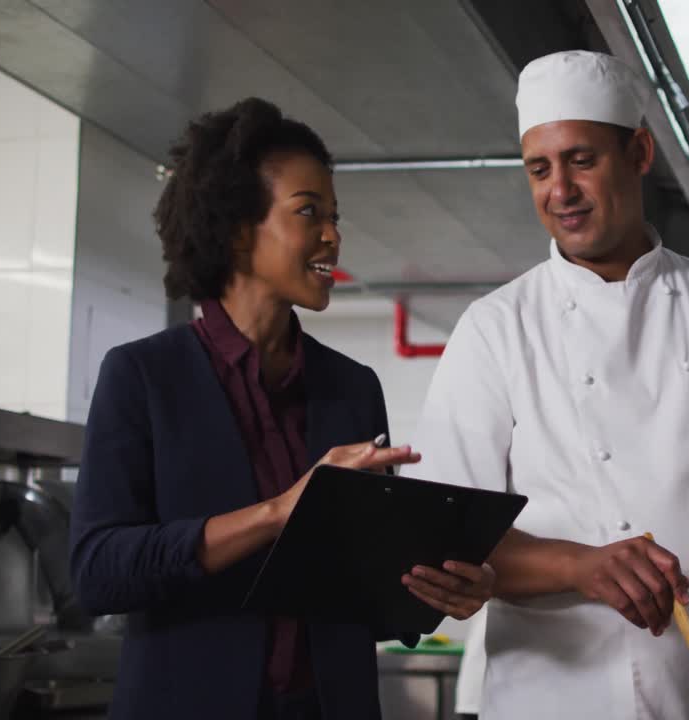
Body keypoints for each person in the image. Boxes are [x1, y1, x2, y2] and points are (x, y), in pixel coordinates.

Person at [413, 51, 689, 720]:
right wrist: (579, 566)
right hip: (553, 696)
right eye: (539, 169)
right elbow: (446, 536)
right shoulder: (495, 328)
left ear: (639, 151)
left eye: (581, 159)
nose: (559, 190)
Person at [68, 97, 494, 720]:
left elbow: (368, 593)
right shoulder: (142, 376)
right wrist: (277, 512)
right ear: (238, 227)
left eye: (334, 215)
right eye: (308, 212)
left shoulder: (352, 388)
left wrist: (441, 590)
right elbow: (98, 572)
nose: (333, 235)